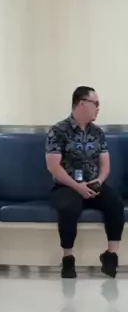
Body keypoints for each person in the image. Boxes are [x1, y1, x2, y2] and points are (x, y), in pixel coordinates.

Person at [46, 85, 124, 279]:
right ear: (82, 104)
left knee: (115, 203)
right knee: (68, 207)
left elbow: (105, 164)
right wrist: (77, 186)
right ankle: (68, 258)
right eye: (95, 103)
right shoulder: (59, 130)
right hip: (67, 185)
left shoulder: (97, 132)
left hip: (93, 184)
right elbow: (53, 166)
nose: (98, 108)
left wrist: (99, 180)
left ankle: (111, 255)